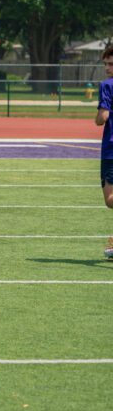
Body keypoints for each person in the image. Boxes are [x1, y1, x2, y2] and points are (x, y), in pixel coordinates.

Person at [97, 45, 113, 259]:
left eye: (111, 64)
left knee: (110, 199)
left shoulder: (107, 85)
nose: (107, 68)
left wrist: (97, 118)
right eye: (106, 64)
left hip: (111, 148)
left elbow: (103, 117)